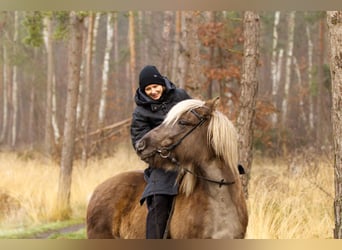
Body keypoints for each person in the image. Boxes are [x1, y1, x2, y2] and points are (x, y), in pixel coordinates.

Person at [130, 65, 191, 239]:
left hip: (193, 154)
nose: (153, 91)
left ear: (162, 83)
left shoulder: (180, 96)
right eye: (148, 89)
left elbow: (198, 117)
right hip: (165, 164)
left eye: (155, 86)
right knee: (159, 198)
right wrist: (166, 155)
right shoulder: (140, 113)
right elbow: (140, 145)